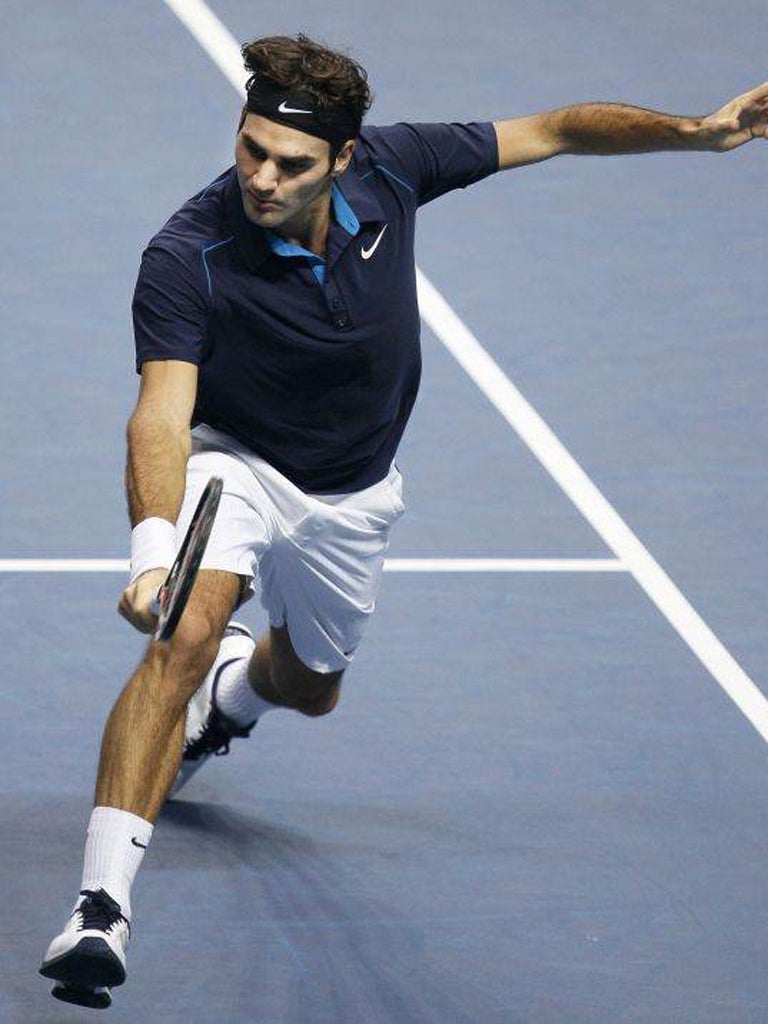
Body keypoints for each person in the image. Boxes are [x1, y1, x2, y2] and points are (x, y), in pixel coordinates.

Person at [40, 32, 767, 1007]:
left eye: (288, 161)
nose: (259, 175)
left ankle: (226, 703)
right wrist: (154, 551)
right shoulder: (188, 254)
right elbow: (161, 415)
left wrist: (699, 131)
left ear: (344, 158)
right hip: (242, 467)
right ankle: (100, 906)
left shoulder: (398, 168)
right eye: (249, 148)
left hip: (355, 494)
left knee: (306, 684)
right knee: (180, 633)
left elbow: (554, 129)